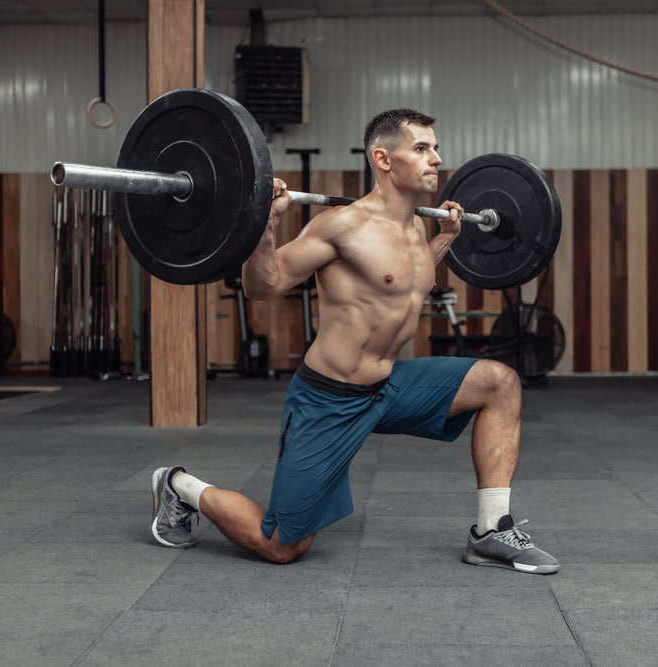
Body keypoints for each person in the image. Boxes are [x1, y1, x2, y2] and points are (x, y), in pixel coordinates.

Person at [150, 109, 558, 574]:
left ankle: (490, 532)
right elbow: (262, 287)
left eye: (435, 148)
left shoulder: (418, 228)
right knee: (284, 544)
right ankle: (178, 485)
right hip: (330, 397)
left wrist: (446, 238)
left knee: (499, 382)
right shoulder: (342, 226)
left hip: (388, 387)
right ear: (383, 159)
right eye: (421, 149)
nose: (437, 159)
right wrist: (265, 225)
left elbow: (404, 285)